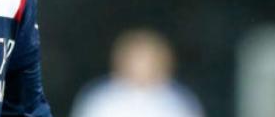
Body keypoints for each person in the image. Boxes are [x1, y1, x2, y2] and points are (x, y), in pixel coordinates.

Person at [69, 29, 203, 117]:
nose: (142, 66)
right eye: (137, 58)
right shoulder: (100, 100)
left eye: (149, 59)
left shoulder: (180, 102)